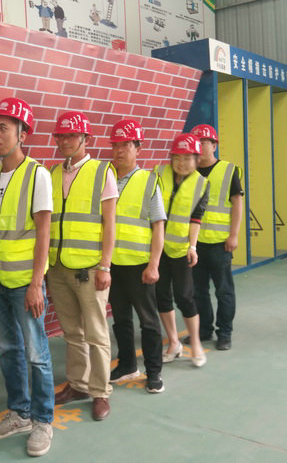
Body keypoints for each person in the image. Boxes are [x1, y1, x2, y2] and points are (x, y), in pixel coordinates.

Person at [0, 98, 55, 457]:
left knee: (37, 353)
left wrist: (37, 283)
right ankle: (19, 413)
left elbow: (44, 234)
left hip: (25, 282)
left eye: (3, 128)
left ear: (23, 134)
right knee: (7, 349)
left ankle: (42, 421)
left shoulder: (37, 175)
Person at [47, 111, 118, 421]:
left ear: (86, 139)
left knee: (96, 333)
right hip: (58, 267)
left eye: (71, 136)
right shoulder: (51, 173)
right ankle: (78, 385)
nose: (65, 141)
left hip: (89, 269)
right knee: (72, 332)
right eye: (60, 136)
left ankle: (101, 392)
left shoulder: (102, 172)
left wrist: (106, 265)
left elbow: (110, 223)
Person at [107, 120, 166, 394]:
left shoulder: (149, 181)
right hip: (112, 264)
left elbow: (158, 226)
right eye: (116, 145)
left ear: (138, 148)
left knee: (148, 321)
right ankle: (127, 365)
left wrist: (154, 264)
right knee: (120, 320)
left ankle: (154, 373)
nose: (119, 150)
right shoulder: (105, 178)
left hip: (140, 265)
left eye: (126, 145)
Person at [154, 133, 209, 367]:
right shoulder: (158, 174)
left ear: (196, 159)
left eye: (187, 158)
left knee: (185, 296)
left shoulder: (201, 184)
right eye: (177, 157)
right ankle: (174, 342)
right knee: (161, 296)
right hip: (156, 248)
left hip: (180, 249)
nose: (182, 163)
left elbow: (196, 218)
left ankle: (195, 343)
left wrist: (193, 246)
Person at [190, 124, 244, 351]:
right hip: (194, 244)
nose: (200, 147)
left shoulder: (228, 170)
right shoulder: (188, 171)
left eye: (205, 142)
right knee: (198, 291)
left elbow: (237, 203)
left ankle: (225, 333)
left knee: (224, 291)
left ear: (214, 145)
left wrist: (234, 235)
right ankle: (204, 330)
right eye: (197, 143)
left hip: (220, 243)